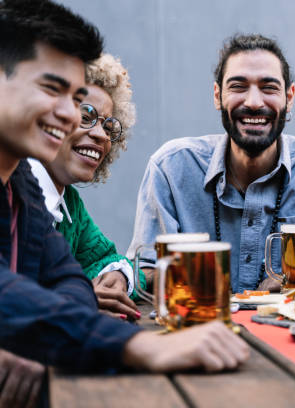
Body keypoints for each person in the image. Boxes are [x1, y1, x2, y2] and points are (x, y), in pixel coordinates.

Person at [0, 2, 248, 406]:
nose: (66, 114)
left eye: (75, 97)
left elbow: (67, 278)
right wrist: (141, 347)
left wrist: (37, 336)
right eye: (51, 89)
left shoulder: (22, 186)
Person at [127, 34, 295, 293]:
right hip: (199, 326)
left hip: (289, 329)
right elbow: (144, 268)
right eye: (238, 87)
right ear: (217, 95)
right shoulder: (171, 168)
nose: (254, 102)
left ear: (289, 98)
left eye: (269, 88)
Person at [29, 53, 143, 321]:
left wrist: (117, 277)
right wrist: (79, 298)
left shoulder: (69, 204)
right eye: (86, 115)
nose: (101, 135)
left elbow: (108, 258)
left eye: (109, 125)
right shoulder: (12, 192)